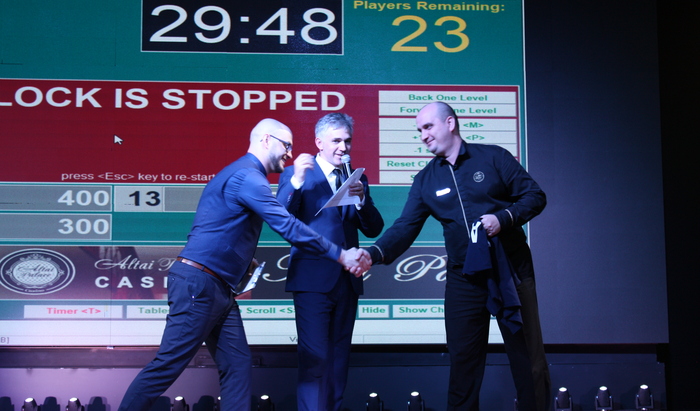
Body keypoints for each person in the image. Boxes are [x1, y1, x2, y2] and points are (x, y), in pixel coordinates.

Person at [118, 118, 370, 411]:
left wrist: (240, 258)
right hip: (200, 284)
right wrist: (340, 255)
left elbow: (222, 224)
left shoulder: (244, 174)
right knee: (169, 364)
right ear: (266, 140)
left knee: (237, 365)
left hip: (218, 287)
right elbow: (287, 224)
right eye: (286, 145)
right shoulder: (247, 176)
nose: (289, 153)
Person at [365, 102, 550, 411]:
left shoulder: (493, 157)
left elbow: (535, 196)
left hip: (510, 269)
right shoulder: (425, 180)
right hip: (464, 278)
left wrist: (503, 218)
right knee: (463, 364)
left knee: (527, 357)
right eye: (419, 130)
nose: (423, 135)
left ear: (450, 123)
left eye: (428, 127)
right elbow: (405, 227)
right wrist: (373, 253)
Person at [277, 113, 384, 411]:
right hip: (312, 280)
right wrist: (296, 181)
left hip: (347, 281)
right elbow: (281, 217)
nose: (343, 147)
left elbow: (374, 228)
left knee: (339, 362)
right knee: (314, 360)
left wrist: (361, 201)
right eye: (336, 140)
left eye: (347, 141)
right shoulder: (296, 175)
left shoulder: (356, 178)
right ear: (319, 142)